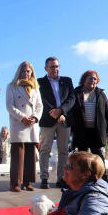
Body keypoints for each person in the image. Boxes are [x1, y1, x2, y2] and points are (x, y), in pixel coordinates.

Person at [37, 57, 75, 189]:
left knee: (64, 150)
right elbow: (40, 99)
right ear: (46, 68)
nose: (55, 69)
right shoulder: (40, 82)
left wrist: (62, 111)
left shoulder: (67, 80)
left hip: (64, 119)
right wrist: (53, 112)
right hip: (47, 119)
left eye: (57, 66)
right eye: (52, 67)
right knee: (45, 150)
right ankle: (44, 178)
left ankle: (61, 178)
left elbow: (72, 98)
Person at [6, 61, 43, 192]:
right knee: (18, 154)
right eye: (23, 71)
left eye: (28, 71)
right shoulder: (11, 86)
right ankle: (15, 183)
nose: (26, 74)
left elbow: (40, 106)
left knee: (30, 155)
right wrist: (22, 117)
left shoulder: (35, 87)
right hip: (19, 123)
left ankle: (27, 182)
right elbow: (9, 106)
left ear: (32, 72)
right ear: (19, 72)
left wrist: (35, 118)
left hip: (32, 124)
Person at [71, 70, 108, 163]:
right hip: (81, 130)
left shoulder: (101, 94)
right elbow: (71, 111)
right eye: (90, 78)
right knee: (82, 156)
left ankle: (101, 176)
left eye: (95, 78)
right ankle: (84, 176)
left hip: (96, 131)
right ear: (84, 80)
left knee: (98, 155)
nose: (93, 80)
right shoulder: (76, 92)